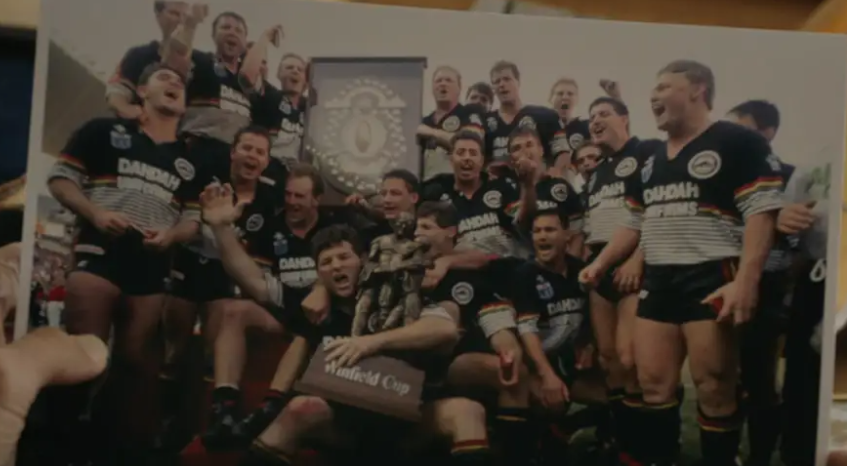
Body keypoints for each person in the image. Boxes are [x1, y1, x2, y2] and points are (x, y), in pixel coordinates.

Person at [581, 60, 783, 466]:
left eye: (663, 87)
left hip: (711, 274)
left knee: (714, 386)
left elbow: (762, 211)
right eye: (652, 90)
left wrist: (747, 280)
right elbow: (634, 221)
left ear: (697, 90)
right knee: (652, 382)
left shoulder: (736, 141)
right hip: (658, 279)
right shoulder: (651, 159)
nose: (653, 96)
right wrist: (600, 263)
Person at [200, 186, 490, 465]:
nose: (336, 266)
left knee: (467, 411)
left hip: (408, 422)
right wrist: (221, 229)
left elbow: (443, 329)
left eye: (344, 257)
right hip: (345, 428)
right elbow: (256, 283)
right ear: (318, 273)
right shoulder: (312, 306)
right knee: (301, 408)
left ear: (363, 261)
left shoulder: (396, 290)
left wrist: (368, 343)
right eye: (326, 262)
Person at [46, 63, 204, 463]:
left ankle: (108, 447)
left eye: (180, 81)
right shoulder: (103, 131)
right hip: (99, 253)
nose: (174, 82)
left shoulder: (188, 161)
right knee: (87, 355)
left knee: (134, 364)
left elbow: (192, 220)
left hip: (151, 266)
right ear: (142, 92)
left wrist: (171, 235)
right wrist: (96, 213)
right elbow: (61, 179)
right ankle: (55, 444)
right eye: (164, 77)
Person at [159, 125, 277, 451]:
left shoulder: (268, 200)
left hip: (225, 277)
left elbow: (258, 254)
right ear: (233, 152)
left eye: (260, 152)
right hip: (188, 265)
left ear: (267, 162)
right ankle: (166, 424)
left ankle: (203, 429)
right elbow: (184, 221)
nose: (252, 156)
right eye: (247, 148)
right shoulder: (206, 181)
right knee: (174, 352)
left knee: (214, 353)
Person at [415, 201, 534, 466]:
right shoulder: (403, 272)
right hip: (411, 369)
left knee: (513, 369)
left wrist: (508, 347)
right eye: (415, 227)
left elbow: (494, 317)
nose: (417, 233)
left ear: (450, 232)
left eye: (426, 227)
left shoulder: (470, 275)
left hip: (456, 364)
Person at [582, 96, 663, 463]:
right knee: (609, 359)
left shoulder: (647, 151)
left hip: (632, 265)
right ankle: (619, 443)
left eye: (604, 114)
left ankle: (647, 449)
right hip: (600, 266)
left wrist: (637, 258)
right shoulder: (597, 171)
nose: (595, 121)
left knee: (631, 360)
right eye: (591, 117)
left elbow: (658, 209)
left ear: (625, 118)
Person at [727, 99, 794, 466]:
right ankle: (726, 451)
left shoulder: (791, 178)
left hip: (766, 287)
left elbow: (807, 245)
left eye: (742, 129)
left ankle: (761, 456)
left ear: (768, 132)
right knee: (723, 377)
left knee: (760, 380)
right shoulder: (721, 174)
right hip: (719, 281)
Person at [513, 209, 605, 464]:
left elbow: (594, 315)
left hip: (570, 361)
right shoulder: (525, 275)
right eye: (537, 231)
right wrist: (546, 376)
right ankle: (539, 445)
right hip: (537, 364)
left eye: (550, 230)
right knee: (550, 405)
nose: (542, 236)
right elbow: (527, 330)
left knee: (617, 394)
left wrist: (589, 343)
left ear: (567, 235)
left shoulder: (581, 271)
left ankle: (592, 439)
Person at [776, 162, 829, 466]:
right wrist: (784, 216)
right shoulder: (820, 155)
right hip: (817, 275)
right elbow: (787, 208)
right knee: (802, 379)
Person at [421, 131, 534, 258]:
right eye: (460, 152)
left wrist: (527, 185)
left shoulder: (502, 188)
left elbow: (523, 220)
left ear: (482, 161)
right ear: (451, 159)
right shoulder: (437, 192)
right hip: (459, 265)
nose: (467, 158)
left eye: (473, 153)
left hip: (503, 263)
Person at [105, 1, 190, 119]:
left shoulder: (200, 63)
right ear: (159, 16)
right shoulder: (138, 54)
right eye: (174, 13)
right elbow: (118, 90)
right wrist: (127, 109)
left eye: (185, 16)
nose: (180, 20)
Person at [484, 61, 563, 166]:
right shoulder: (485, 121)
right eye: (497, 82)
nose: (502, 84)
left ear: (518, 82)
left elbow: (563, 154)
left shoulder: (544, 115)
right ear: (493, 88)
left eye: (507, 79)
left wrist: (557, 172)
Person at [419, 66, 486, 180]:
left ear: (459, 88)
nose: (443, 84)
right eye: (438, 81)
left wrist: (431, 132)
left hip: (458, 183)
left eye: (448, 80)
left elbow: (472, 144)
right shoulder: (425, 121)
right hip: (427, 184)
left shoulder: (469, 113)